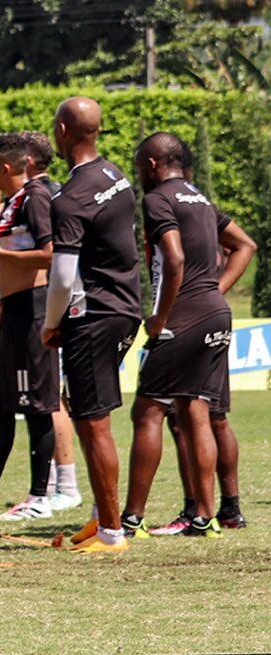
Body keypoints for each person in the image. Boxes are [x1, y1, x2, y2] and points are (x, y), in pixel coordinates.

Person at [121, 133, 255, 539]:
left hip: (184, 316)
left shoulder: (157, 199)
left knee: (146, 412)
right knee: (198, 411)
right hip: (215, 313)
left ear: (150, 164)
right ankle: (206, 516)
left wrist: (160, 317)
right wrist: (215, 291)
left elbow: (174, 256)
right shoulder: (199, 199)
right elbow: (245, 245)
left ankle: (132, 519)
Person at [40, 96, 142, 555]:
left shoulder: (70, 197)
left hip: (93, 313)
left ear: (63, 130)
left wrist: (50, 324)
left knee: (94, 421)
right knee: (84, 410)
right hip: (124, 306)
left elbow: (62, 277)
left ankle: (112, 533)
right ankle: (104, 515)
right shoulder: (115, 175)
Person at [0, 132, 64, 521]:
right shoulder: (14, 201)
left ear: (5, 168)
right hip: (15, 310)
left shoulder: (36, 197)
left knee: (37, 407)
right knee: (0, 407)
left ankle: (40, 496)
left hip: (34, 312)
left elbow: (50, 253)